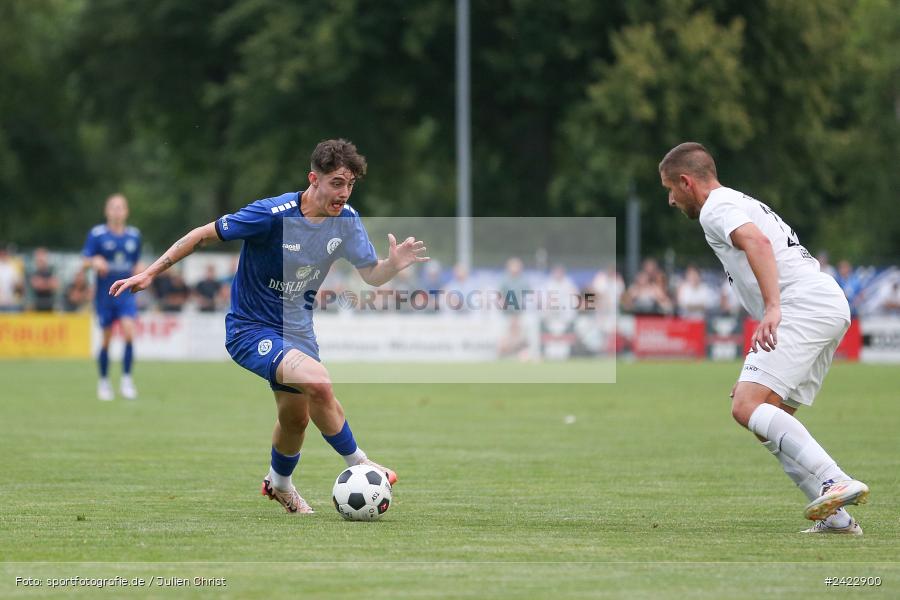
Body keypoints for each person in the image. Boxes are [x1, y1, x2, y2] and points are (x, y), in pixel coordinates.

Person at [110, 139, 428, 514]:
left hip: (298, 332)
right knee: (318, 382)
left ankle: (278, 484)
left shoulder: (346, 221)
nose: (344, 193)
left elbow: (371, 274)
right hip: (251, 329)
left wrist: (392, 265)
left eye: (350, 184)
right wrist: (149, 273)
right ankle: (362, 463)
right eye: (337, 183)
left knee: (295, 419)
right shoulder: (271, 214)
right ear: (314, 179)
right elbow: (201, 235)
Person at [660, 142, 869, 535]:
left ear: (687, 182)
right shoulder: (734, 201)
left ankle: (835, 480)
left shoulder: (715, 208)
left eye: (670, 189)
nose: (670, 200)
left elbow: (757, 242)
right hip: (823, 303)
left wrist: (773, 308)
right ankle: (836, 518)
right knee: (765, 417)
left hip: (801, 304)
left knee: (746, 406)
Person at [82, 194, 142, 401]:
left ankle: (126, 380)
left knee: (129, 332)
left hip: (125, 296)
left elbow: (136, 263)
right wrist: (94, 261)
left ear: (126, 211)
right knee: (106, 339)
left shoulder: (134, 236)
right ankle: (104, 381)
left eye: (120, 207)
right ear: (106, 211)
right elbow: (85, 260)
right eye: (113, 207)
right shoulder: (97, 235)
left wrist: (141, 270)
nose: (117, 211)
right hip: (105, 296)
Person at [28, 247, 59, 312]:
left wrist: (42, 283)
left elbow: (55, 285)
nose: (40, 260)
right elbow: (36, 285)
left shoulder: (52, 271)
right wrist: (48, 283)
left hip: (50, 305)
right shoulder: (32, 272)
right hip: (35, 306)